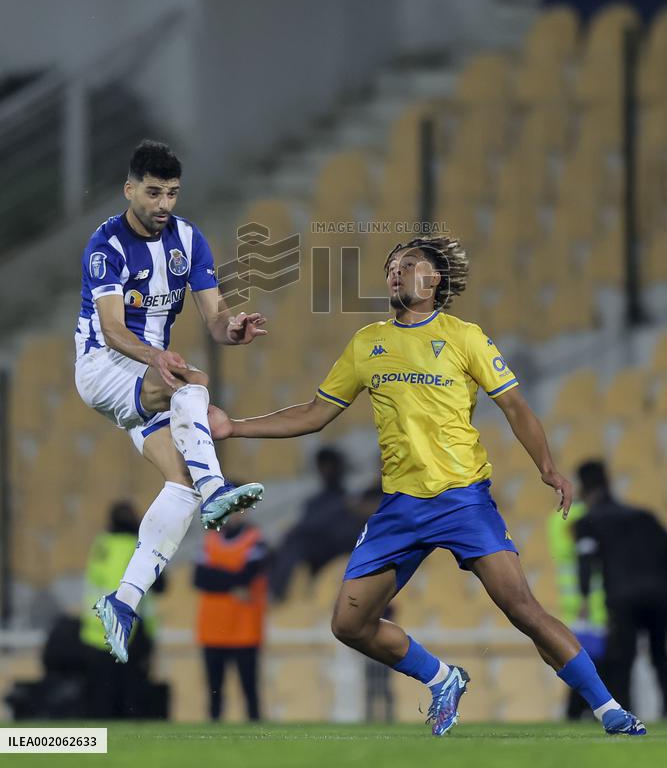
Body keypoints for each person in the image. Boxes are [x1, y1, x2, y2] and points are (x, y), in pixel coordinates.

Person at [214, 235, 646, 737]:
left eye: (409, 265)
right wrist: (233, 426)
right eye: (391, 266)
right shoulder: (366, 343)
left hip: (463, 499)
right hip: (398, 506)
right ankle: (442, 678)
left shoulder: (464, 337)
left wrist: (547, 467)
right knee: (348, 625)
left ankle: (609, 709)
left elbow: (515, 406)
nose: (395, 272)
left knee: (522, 608)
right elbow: (313, 414)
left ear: (435, 280)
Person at [74, 139, 266, 664]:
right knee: (190, 377)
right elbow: (112, 329)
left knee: (176, 485)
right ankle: (216, 487)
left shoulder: (188, 240)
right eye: (154, 193)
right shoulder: (105, 245)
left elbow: (214, 316)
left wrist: (233, 326)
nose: (163, 204)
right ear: (130, 189)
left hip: (150, 373)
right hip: (104, 369)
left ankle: (123, 601)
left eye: (172, 194)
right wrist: (157, 357)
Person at [575, 459, 667, 716]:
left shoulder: (589, 521)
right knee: (660, 656)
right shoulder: (644, 516)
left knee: (621, 660)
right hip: (659, 596)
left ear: (583, 487)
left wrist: (584, 597)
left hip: (622, 597)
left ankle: (626, 713)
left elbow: (586, 561)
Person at [79, 501, 166, 718]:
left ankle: (97, 744)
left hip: (95, 629)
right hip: (129, 629)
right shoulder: (136, 547)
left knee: (101, 697)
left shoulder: (101, 545)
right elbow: (161, 585)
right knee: (130, 695)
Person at [193, 511, 269, 721]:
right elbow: (199, 579)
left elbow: (247, 576)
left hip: (244, 628)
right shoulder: (210, 540)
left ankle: (256, 729)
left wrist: (217, 576)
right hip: (213, 627)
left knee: (249, 687)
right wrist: (233, 583)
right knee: (214, 689)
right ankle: (213, 731)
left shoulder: (255, 539)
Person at [270, 447, 361, 600]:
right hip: (311, 549)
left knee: (297, 543)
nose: (325, 470)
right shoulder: (314, 502)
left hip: (332, 549)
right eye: (322, 466)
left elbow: (344, 534)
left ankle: (280, 592)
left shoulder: (349, 501)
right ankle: (278, 591)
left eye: (330, 466)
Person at [546, 501, 607, 719]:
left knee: (581, 660)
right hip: (590, 605)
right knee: (591, 662)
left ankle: (578, 712)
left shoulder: (554, 521)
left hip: (578, 605)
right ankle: (582, 711)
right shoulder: (585, 516)